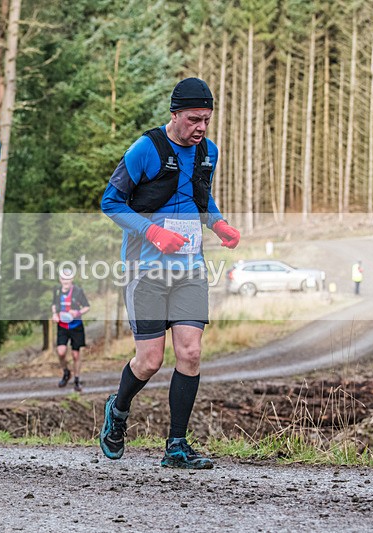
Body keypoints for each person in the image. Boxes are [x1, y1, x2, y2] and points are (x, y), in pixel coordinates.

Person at [99, 78, 240, 469]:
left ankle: (176, 445)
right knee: (149, 360)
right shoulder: (146, 149)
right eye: (194, 119)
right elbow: (110, 203)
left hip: (191, 268)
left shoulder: (208, 151)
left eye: (207, 120)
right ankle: (119, 409)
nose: (201, 128)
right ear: (175, 114)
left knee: (191, 353)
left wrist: (219, 222)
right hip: (145, 268)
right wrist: (153, 231)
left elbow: (199, 195)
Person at [51, 269, 91, 392]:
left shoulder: (78, 291)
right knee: (61, 352)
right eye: (63, 279)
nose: (65, 281)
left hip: (76, 326)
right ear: (60, 279)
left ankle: (77, 380)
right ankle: (66, 372)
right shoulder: (57, 290)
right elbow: (54, 304)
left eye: (68, 279)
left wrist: (77, 312)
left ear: (72, 279)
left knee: (75, 354)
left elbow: (87, 307)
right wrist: (54, 314)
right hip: (62, 326)